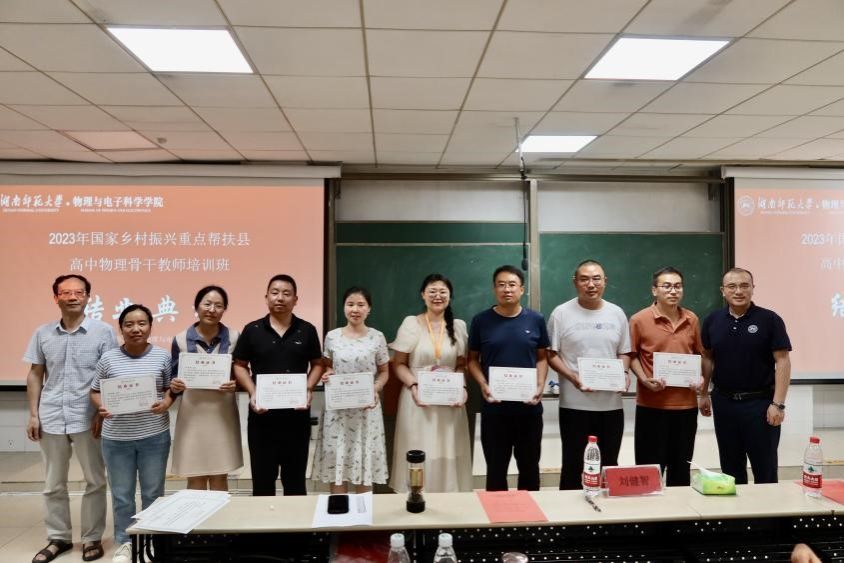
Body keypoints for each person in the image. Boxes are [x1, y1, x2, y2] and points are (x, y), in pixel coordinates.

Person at [24, 274, 118, 563]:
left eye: (79, 292)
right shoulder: (42, 333)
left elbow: (111, 374)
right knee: (53, 483)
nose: (73, 297)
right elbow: (35, 374)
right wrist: (33, 414)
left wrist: (102, 412)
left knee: (95, 481)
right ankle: (59, 538)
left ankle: (92, 538)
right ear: (56, 298)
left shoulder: (103, 332)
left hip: (88, 417)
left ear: (88, 297)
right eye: (66, 292)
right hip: (51, 415)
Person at [90, 304, 175, 563]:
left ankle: (150, 541)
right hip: (116, 439)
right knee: (122, 495)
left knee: (153, 493)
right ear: (121, 328)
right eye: (129, 324)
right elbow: (95, 391)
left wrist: (166, 403)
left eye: (141, 323)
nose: (135, 329)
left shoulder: (162, 357)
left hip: (154, 436)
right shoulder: (108, 359)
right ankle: (125, 543)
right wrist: (101, 406)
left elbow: (170, 389)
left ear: (150, 326)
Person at [233, 274, 323, 496]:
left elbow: (318, 364)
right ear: (266, 297)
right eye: (275, 293)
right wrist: (253, 392)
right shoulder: (252, 329)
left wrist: (308, 388)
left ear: (295, 299)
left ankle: (294, 521)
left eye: (286, 293)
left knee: (296, 483)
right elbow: (240, 365)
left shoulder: (307, 330)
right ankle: (265, 521)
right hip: (262, 418)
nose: (280, 298)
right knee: (262, 483)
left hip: (297, 418)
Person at [700, 267, 792, 485]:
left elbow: (783, 361)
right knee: (730, 468)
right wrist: (703, 394)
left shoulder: (770, 319)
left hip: (760, 405)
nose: (738, 291)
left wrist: (778, 404)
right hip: (724, 403)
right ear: (723, 290)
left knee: (765, 468)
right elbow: (707, 358)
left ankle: (768, 508)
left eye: (744, 285)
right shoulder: (712, 320)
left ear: (752, 288)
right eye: (732, 286)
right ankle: (736, 508)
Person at [546, 260, 631, 490]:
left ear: (605, 281)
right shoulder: (561, 313)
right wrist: (573, 377)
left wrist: (623, 372)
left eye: (596, 279)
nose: (591, 284)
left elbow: (624, 351)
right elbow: (551, 354)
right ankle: (571, 511)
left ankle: (607, 511)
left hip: (611, 406)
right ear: (575, 282)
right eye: (584, 279)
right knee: (573, 464)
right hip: (574, 405)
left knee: (608, 464)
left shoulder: (617, 313)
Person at [468, 265, 549, 491]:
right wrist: (483, 384)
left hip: (529, 410)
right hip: (495, 410)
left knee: (529, 469)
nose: (507, 289)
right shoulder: (481, 321)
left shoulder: (536, 319)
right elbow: (472, 360)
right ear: (494, 289)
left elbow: (542, 357)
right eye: (501, 285)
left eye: (512, 285)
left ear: (522, 289)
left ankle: (529, 514)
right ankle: (497, 514)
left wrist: (540, 385)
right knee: (496, 471)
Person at [389, 274, 472, 493]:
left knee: (447, 449)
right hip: (418, 399)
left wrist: (462, 387)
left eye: (443, 291)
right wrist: (414, 386)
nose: (438, 296)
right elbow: (399, 364)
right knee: (419, 447)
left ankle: (447, 499)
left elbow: (461, 364)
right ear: (423, 295)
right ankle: (416, 499)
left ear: (450, 296)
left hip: (449, 400)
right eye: (432, 291)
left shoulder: (459, 326)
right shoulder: (411, 323)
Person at [629, 267, 704, 487]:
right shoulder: (639, 319)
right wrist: (644, 379)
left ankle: (679, 509)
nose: (673, 291)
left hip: (686, 407)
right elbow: (631, 356)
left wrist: (700, 378)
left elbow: (699, 355)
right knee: (649, 471)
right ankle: (649, 509)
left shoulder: (692, 319)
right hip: (651, 406)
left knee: (681, 469)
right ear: (655, 290)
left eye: (678, 286)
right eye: (667, 286)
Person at [311, 287, 390, 492]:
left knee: (364, 462)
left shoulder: (377, 337)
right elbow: (328, 366)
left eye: (361, 305)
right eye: (350, 304)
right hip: (338, 411)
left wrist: (375, 388)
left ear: (369, 309)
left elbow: (384, 372)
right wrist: (327, 374)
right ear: (344, 307)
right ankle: (340, 510)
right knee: (337, 460)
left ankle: (363, 511)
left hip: (366, 411)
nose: (355, 309)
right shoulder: (332, 337)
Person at [169, 286, 242, 491]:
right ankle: (197, 514)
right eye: (207, 304)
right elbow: (173, 377)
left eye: (218, 305)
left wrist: (236, 384)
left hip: (222, 414)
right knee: (195, 476)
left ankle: (219, 514)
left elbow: (242, 373)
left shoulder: (235, 337)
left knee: (220, 475)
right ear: (196, 306)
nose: (212, 309)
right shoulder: (180, 339)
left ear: (224, 309)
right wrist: (175, 385)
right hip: (192, 414)